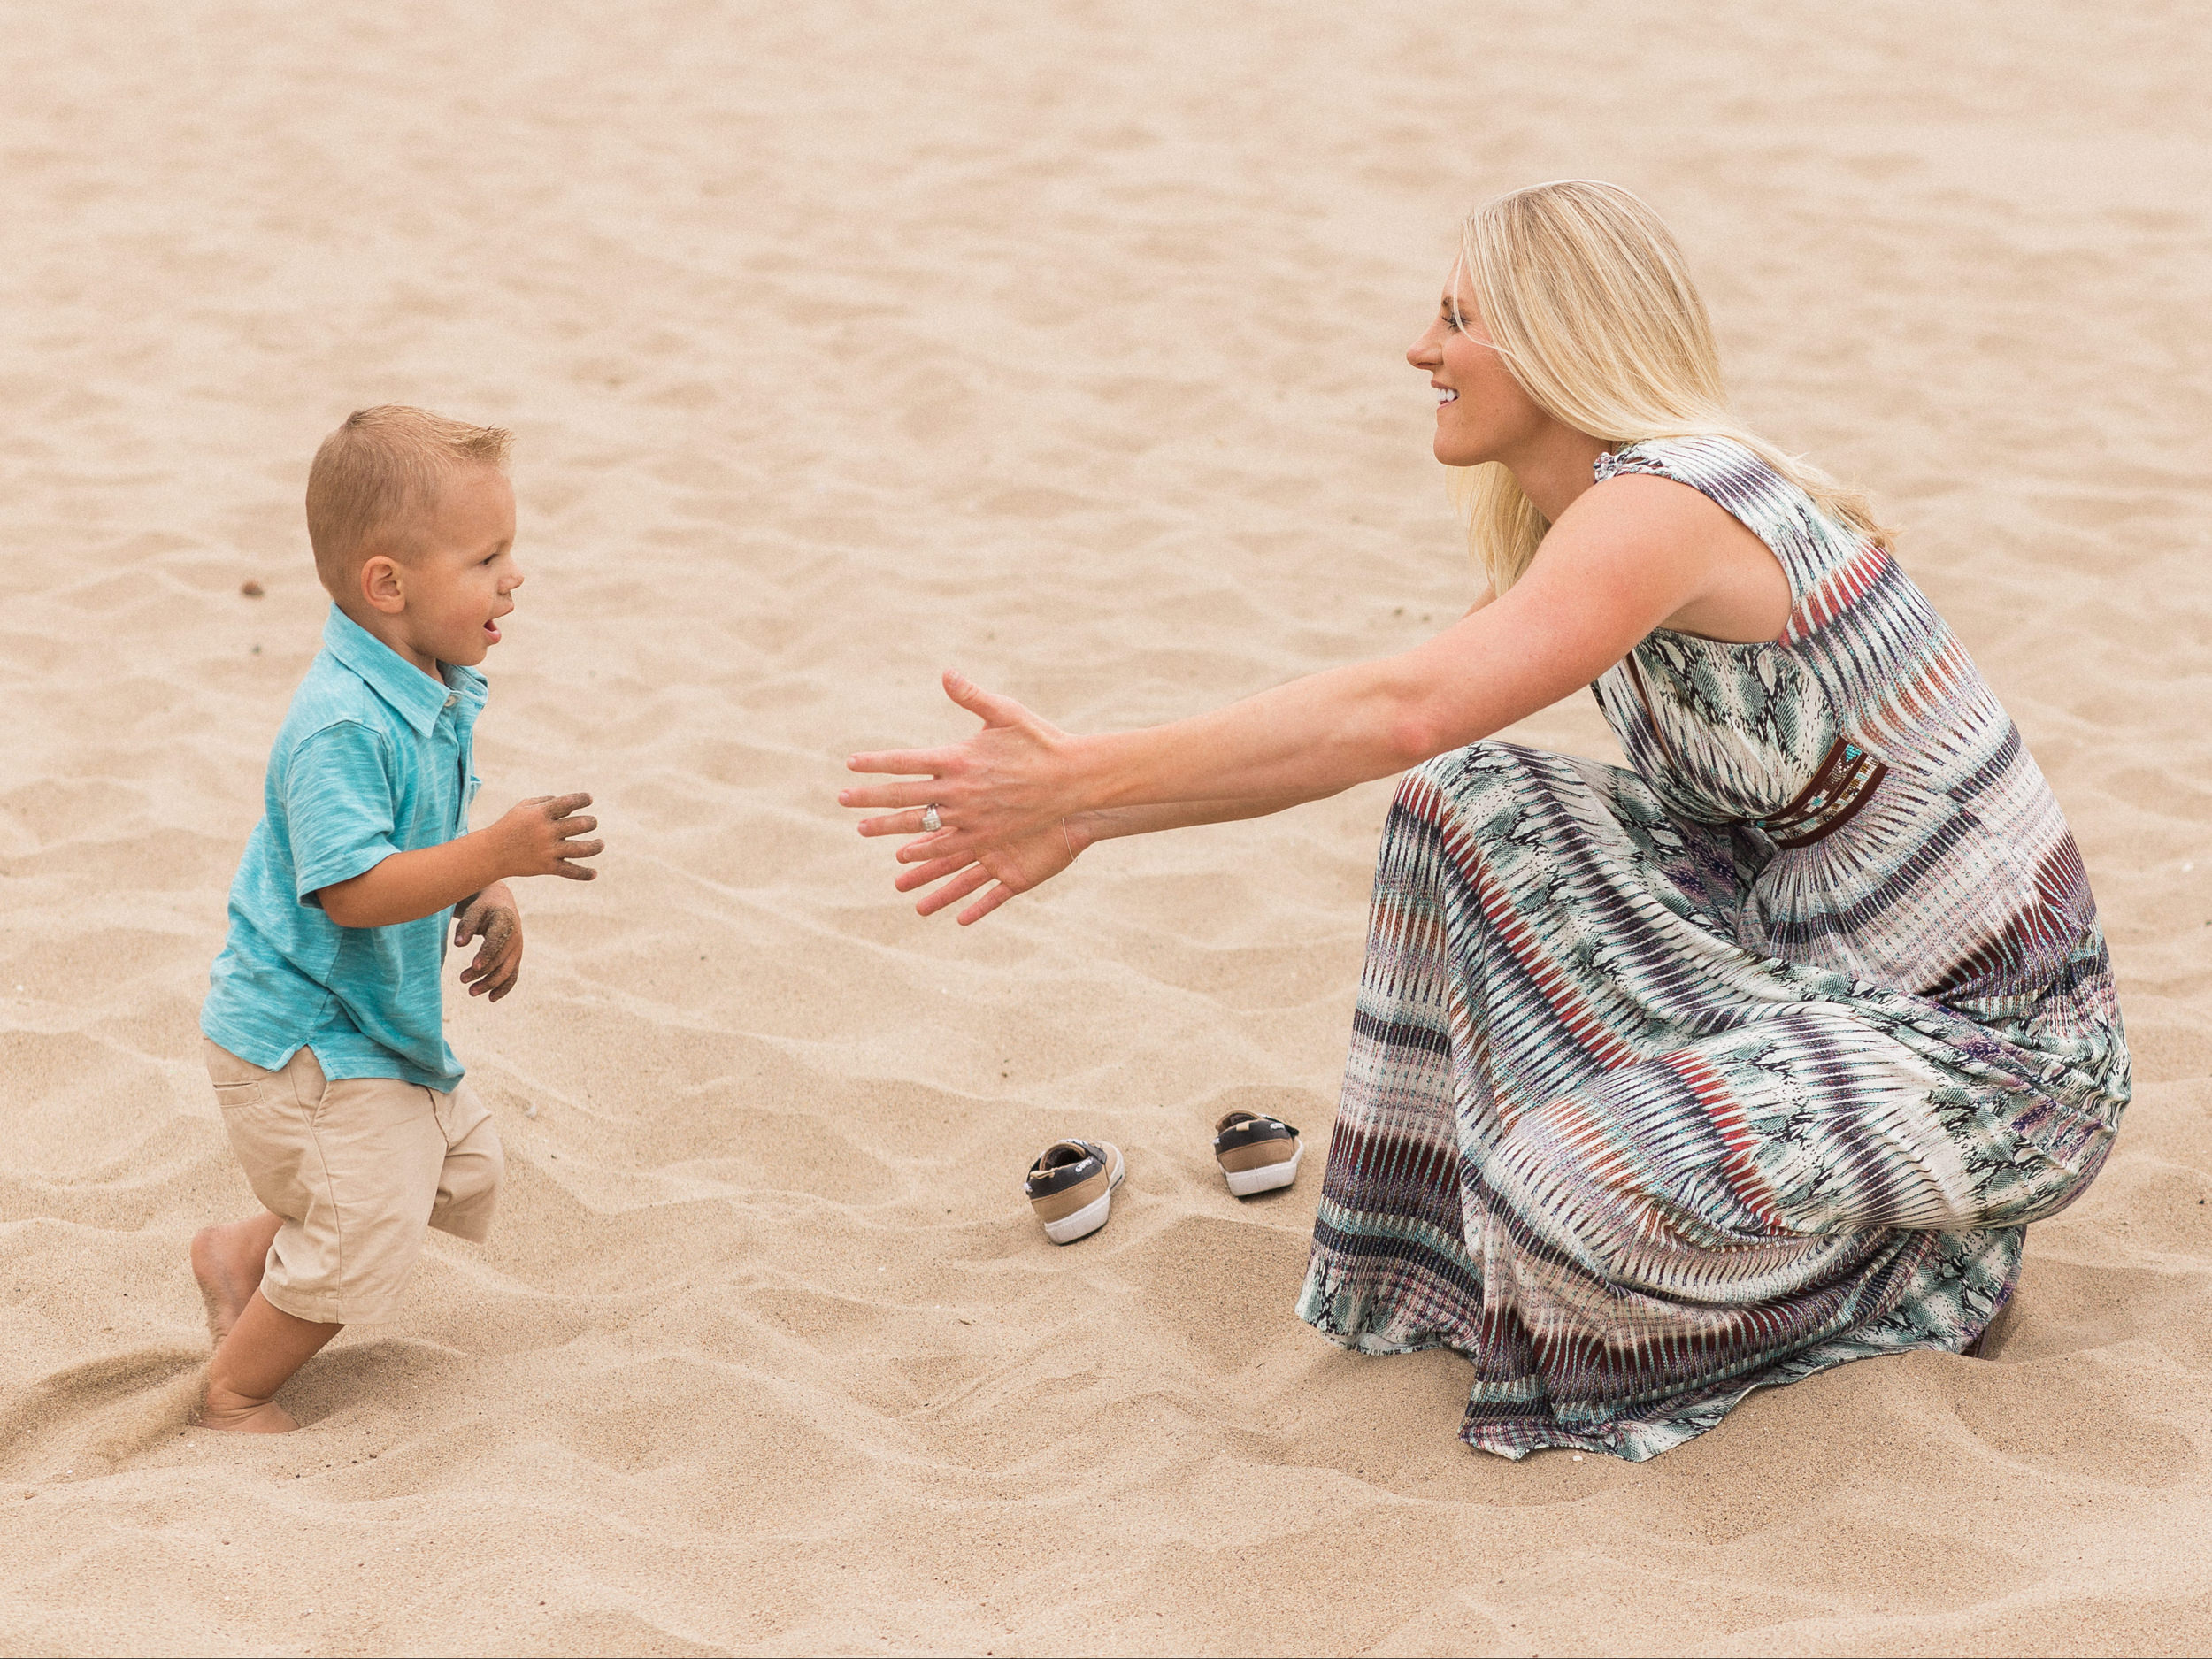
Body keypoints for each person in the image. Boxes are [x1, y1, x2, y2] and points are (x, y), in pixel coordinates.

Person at [838, 181, 2130, 1460]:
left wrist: (1080, 778)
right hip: (1809, 972)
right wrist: (1086, 812)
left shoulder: (1675, 503)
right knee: (1465, 800)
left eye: (1458, 316)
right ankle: (1481, 1259)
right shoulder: (1591, 521)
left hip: (2001, 1061)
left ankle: (1923, 1282)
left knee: (1567, 1191)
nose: (1421, 348)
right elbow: (1380, 732)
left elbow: (1399, 705)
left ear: (1563, 338)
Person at [190, 406, 606, 1432]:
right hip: (301, 1040)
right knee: (368, 1217)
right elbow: (354, 891)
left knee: (464, 1167)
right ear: (389, 585)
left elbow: (424, 834)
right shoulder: (336, 720)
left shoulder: (431, 685)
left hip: (371, 1026)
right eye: (487, 558)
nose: (515, 578)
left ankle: (243, 1250)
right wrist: (498, 852)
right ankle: (235, 1389)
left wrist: (485, 889)